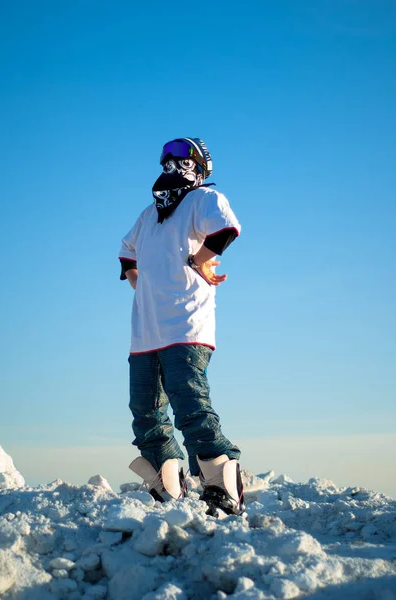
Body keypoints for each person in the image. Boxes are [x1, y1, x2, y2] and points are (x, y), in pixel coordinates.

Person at [118, 137, 244, 515]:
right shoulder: (149, 215)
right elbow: (127, 251)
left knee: (189, 402)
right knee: (145, 409)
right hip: (146, 332)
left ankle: (221, 483)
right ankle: (166, 480)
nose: (170, 164)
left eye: (180, 158)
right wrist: (141, 282)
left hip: (186, 325)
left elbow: (225, 230)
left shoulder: (203, 199)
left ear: (198, 166)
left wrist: (198, 260)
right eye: (165, 158)